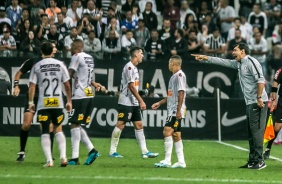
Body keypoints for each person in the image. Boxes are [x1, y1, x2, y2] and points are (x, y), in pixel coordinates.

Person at [191, 42, 268, 170]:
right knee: (251, 133)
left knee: (256, 132)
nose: (233, 53)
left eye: (235, 50)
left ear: (243, 51)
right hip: (250, 102)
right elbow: (222, 61)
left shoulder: (251, 61)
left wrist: (259, 97)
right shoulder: (239, 64)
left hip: (257, 102)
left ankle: (260, 161)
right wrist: (206, 57)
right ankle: (253, 160)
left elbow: (261, 80)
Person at [108, 46, 159, 158]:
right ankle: (112, 151)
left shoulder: (135, 68)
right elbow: (131, 87)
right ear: (135, 55)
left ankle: (145, 151)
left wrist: (140, 95)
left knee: (139, 125)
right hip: (126, 101)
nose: (142, 55)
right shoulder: (129, 68)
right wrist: (141, 101)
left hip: (133, 101)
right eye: (141, 53)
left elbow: (133, 87)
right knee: (120, 124)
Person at [28, 41, 72, 167]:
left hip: (44, 104)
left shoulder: (37, 66)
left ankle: (49, 161)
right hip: (57, 103)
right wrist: (69, 101)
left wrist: (31, 102)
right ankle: (63, 157)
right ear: (52, 51)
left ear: (41, 51)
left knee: (45, 131)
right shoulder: (60, 65)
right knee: (58, 130)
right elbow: (67, 85)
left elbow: (32, 86)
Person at [14, 42, 58, 162]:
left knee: (48, 126)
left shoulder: (55, 63)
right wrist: (16, 86)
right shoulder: (33, 61)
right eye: (54, 48)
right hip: (33, 96)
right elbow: (18, 73)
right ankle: (22, 151)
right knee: (26, 124)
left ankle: (49, 155)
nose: (55, 50)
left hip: (46, 98)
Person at [67, 39, 106, 165]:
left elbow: (69, 75)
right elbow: (86, 76)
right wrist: (94, 83)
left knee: (74, 124)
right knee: (77, 124)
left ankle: (75, 158)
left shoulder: (76, 56)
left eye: (71, 46)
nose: (70, 49)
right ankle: (91, 150)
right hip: (89, 94)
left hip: (79, 95)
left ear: (76, 47)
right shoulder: (90, 57)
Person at [152, 55, 186, 168]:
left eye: (169, 63)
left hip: (175, 110)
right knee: (176, 134)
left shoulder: (179, 75)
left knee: (167, 131)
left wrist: (178, 111)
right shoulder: (173, 77)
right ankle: (181, 162)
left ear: (173, 63)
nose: (168, 65)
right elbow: (170, 96)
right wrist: (160, 103)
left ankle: (167, 160)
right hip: (174, 109)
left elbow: (182, 93)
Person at [263, 67, 282, 159]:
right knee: (277, 127)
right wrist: (273, 100)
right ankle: (268, 148)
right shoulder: (280, 70)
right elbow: (275, 84)